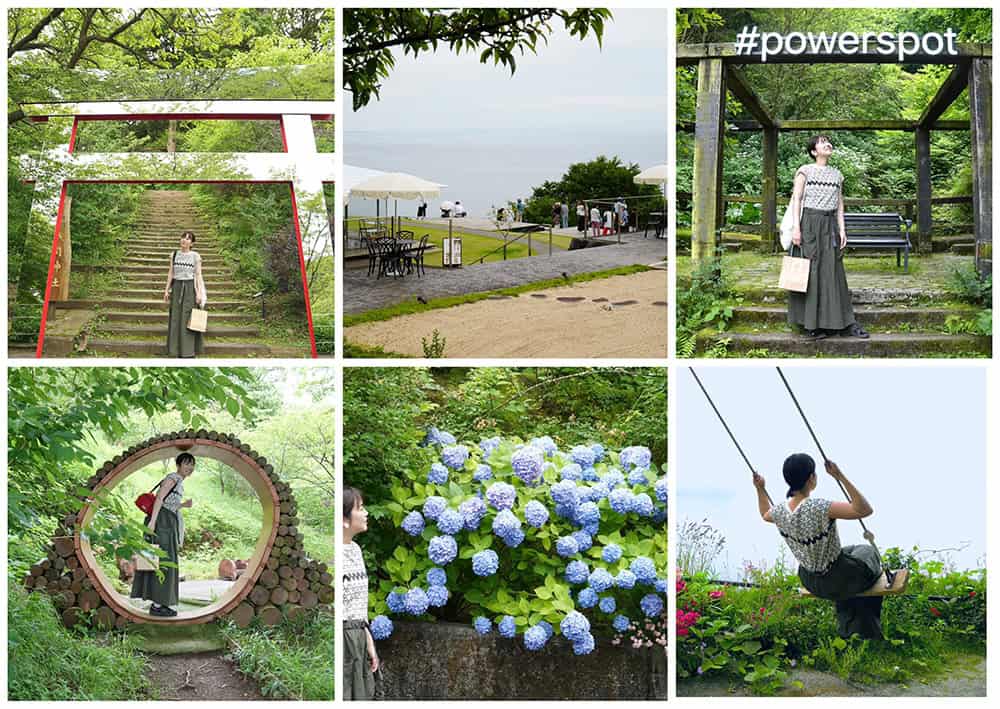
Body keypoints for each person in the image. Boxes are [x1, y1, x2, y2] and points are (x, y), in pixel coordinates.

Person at [753, 454, 884, 639]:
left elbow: (764, 513)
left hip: (810, 580)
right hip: (837, 579)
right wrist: (840, 476)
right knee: (868, 551)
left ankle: (850, 626)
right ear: (811, 478)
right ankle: (864, 630)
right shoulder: (820, 507)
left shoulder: (779, 511)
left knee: (851, 551)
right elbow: (864, 510)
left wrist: (760, 489)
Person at [788, 135, 869, 340]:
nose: (827, 144)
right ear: (814, 151)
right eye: (822, 142)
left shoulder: (837, 175)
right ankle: (811, 326)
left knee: (833, 271)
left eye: (828, 141)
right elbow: (796, 201)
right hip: (810, 223)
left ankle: (842, 323)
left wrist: (843, 230)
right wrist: (796, 229)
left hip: (830, 224)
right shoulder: (804, 171)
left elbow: (840, 204)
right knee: (811, 272)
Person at [131, 453, 196, 617]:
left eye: (192, 464)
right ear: (179, 465)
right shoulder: (173, 478)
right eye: (187, 463)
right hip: (161, 522)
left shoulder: (179, 482)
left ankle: (159, 602)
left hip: (167, 521)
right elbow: (159, 498)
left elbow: (168, 503)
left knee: (162, 558)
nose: (190, 467)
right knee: (162, 559)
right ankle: (158, 604)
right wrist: (153, 522)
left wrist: (182, 505)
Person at [343, 487, 379, 700]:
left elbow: (358, 604)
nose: (366, 513)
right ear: (344, 519)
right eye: (360, 508)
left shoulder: (355, 550)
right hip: (343, 638)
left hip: (358, 636)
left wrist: (369, 643)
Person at [163, 230, 207, 358]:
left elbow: (198, 275)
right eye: (183, 237)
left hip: (189, 288)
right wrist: (166, 290)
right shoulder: (174, 254)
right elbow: (171, 273)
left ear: (192, 243)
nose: (184, 240)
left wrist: (199, 293)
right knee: (176, 318)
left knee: (188, 318)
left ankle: (188, 351)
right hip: (176, 287)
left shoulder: (195, 256)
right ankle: (174, 350)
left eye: (188, 239)